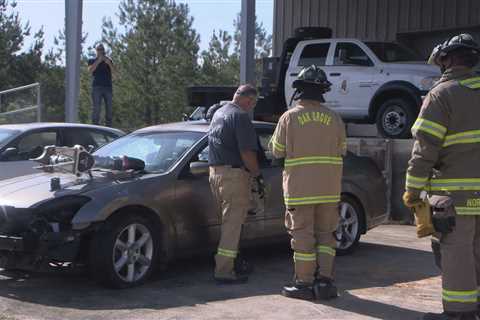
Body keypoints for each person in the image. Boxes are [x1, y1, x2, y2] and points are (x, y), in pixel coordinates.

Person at [403, 34, 480, 320]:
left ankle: (459, 313)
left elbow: (425, 148)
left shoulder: (442, 94)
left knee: (457, 252)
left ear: (447, 59)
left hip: (455, 197)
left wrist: (412, 190)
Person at [269, 65, 346, 300]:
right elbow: (342, 150)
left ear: (299, 89)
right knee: (326, 236)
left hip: (300, 190)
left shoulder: (289, 117)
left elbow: (277, 151)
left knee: (302, 236)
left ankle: (303, 283)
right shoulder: (334, 118)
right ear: (323, 90)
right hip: (329, 189)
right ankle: (325, 282)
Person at [208, 84, 265, 284]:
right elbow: (247, 153)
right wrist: (257, 175)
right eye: (253, 103)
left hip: (215, 174)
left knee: (228, 225)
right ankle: (224, 271)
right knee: (232, 226)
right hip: (233, 176)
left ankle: (232, 261)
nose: (252, 107)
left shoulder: (219, 114)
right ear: (248, 100)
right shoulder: (240, 117)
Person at [88, 43, 115, 127]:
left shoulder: (109, 60)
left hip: (108, 87)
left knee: (109, 108)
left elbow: (115, 73)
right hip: (97, 87)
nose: (101, 51)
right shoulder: (92, 60)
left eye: (102, 49)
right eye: (99, 49)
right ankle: (95, 126)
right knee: (96, 108)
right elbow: (90, 71)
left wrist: (109, 64)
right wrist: (98, 61)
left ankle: (109, 126)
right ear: (96, 51)